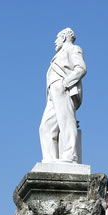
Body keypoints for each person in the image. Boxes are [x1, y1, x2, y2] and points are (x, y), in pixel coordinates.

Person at [39, 27, 87, 164]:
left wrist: (65, 83)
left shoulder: (73, 49)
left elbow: (81, 68)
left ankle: (70, 155)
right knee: (45, 127)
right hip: (52, 92)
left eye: (57, 38)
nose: (55, 41)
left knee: (66, 121)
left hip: (63, 87)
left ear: (65, 37)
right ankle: (49, 160)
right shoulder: (59, 54)